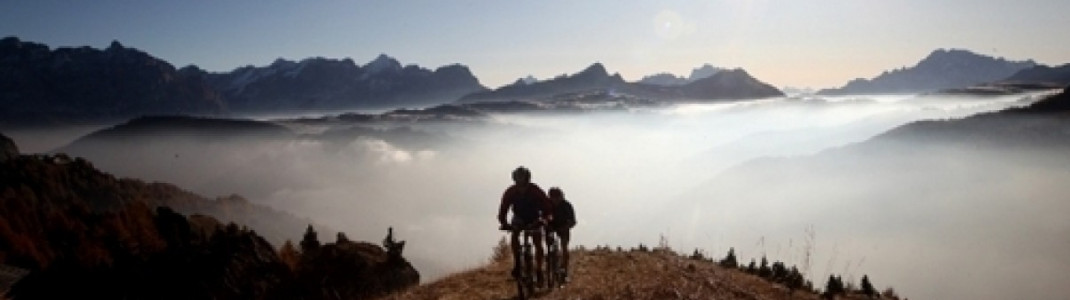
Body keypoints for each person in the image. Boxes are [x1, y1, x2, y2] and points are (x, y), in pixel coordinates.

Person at [497, 166, 553, 284]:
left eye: (522, 178)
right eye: (518, 178)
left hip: (535, 217)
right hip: (519, 218)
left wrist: (544, 219)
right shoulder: (511, 191)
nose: (520, 181)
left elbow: (547, 206)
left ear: (527, 178)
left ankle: (539, 270)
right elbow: (504, 208)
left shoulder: (535, 190)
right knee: (514, 235)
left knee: (537, 242)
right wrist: (504, 223)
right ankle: (517, 263)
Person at [545, 187, 576, 281]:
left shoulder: (567, 205)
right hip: (550, 227)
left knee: (564, 247)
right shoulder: (547, 205)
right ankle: (551, 264)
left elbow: (573, 221)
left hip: (563, 228)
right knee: (549, 245)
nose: (555, 200)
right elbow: (543, 216)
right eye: (552, 198)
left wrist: (566, 227)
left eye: (557, 198)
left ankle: (565, 271)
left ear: (561, 197)